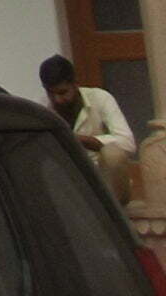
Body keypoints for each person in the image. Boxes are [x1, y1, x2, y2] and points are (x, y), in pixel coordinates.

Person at [41, 54, 136, 200]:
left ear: (75, 83)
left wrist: (82, 140)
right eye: (51, 94)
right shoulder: (42, 108)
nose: (57, 100)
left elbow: (128, 143)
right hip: (69, 184)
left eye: (63, 92)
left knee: (114, 155)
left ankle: (114, 211)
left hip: (106, 183)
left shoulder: (100, 98)